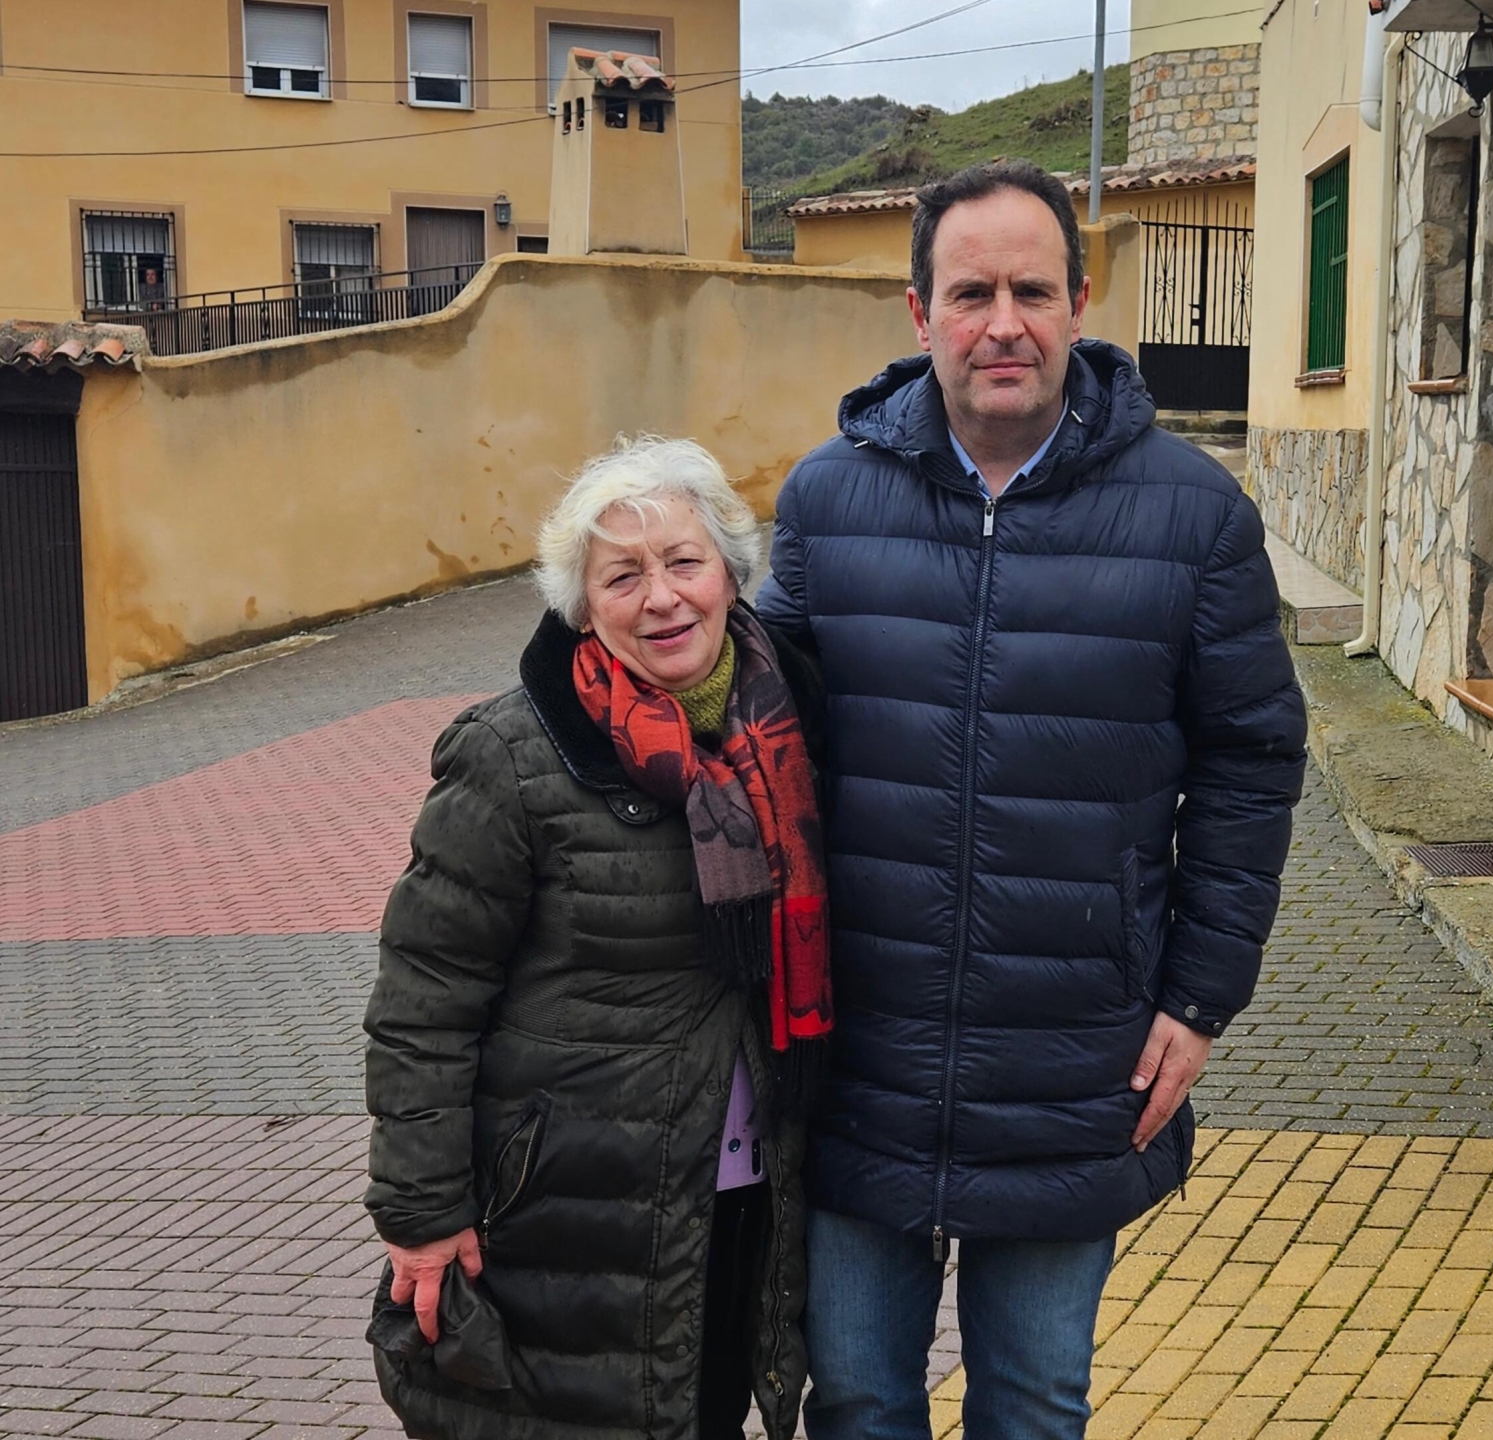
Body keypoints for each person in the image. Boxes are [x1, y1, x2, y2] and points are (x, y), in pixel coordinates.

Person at [756, 158, 1309, 1440]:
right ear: (918, 314)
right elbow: (755, 725)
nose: (1001, 322)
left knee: (1032, 1406)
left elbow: (1250, 762)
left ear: (1079, 300)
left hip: (1079, 1049)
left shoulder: (1196, 516)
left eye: (1030, 289)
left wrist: (1198, 992)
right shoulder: (826, 501)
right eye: (969, 292)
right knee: (860, 1403)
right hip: (858, 1052)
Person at [362, 435, 828, 1440]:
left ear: (729, 575)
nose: (662, 598)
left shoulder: (792, 730)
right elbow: (423, 1001)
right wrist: (421, 1209)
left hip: (745, 1195)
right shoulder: (511, 756)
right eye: (624, 575)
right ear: (583, 605)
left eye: (684, 563)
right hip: (564, 1217)